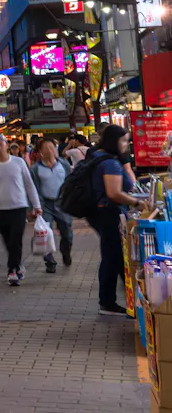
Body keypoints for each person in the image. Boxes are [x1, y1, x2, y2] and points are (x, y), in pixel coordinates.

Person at [87, 125, 143, 315]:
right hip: (108, 213)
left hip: (100, 212)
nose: (127, 144)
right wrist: (136, 202)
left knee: (116, 256)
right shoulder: (109, 162)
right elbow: (114, 193)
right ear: (114, 141)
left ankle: (129, 302)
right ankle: (108, 302)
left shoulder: (96, 155)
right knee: (112, 256)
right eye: (124, 140)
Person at [0, 134, 42, 286]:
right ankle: (17, 264)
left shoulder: (19, 162)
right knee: (8, 240)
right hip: (0, 209)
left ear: (7, 145)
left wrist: (36, 205)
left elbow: (29, 184)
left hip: (19, 207)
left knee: (16, 239)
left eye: (1, 144)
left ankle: (12, 270)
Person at [30, 137, 73, 272]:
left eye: (52, 147)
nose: (50, 150)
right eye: (46, 148)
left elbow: (69, 183)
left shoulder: (64, 164)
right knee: (45, 233)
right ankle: (50, 262)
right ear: (40, 152)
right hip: (45, 205)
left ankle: (66, 253)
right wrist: (34, 207)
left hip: (62, 203)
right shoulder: (36, 169)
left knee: (67, 233)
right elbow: (33, 188)